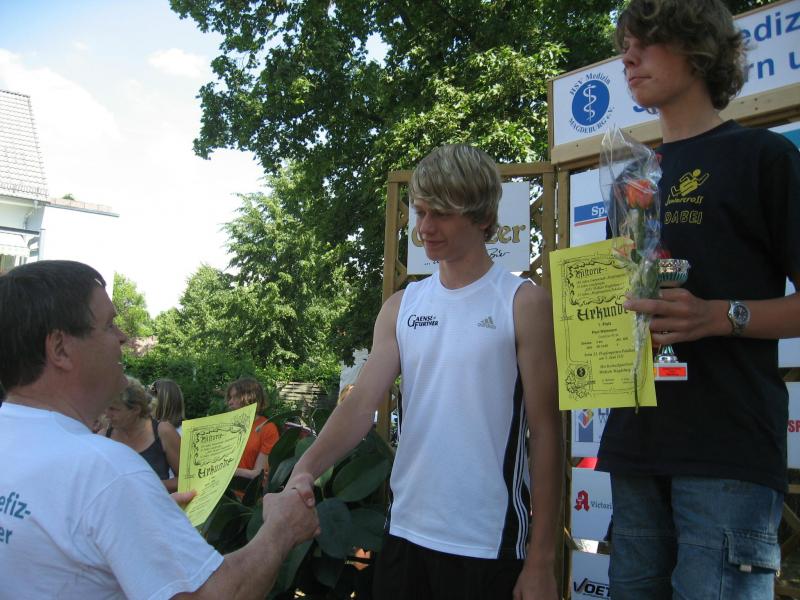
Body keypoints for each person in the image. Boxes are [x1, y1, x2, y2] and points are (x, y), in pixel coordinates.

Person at [288, 143, 564, 599]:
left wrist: (542, 561)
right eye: (420, 212)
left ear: (482, 216)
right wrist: (305, 468)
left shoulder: (521, 302)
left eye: (441, 214)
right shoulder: (403, 306)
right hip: (405, 534)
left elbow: (547, 433)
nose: (425, 228)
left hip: (488, 542)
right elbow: (360, 405)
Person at [596, 2, 800, 599]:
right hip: (635, 449)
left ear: (698, 47)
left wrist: (719, 316)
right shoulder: (629, 181)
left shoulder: (765, 157)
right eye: (625, 45)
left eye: (647, 40)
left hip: (728, 454)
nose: (629, 56)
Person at [0, 260, 319, 599]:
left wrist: (148, 514)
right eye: (109, 325)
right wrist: (282, 529)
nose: (123, 337)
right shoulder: (105, 470)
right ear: (60, 349)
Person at [102, 376, 182, 492]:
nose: (106, 414)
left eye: (113, 409)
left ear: (136, 410)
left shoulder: (163, 431)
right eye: (105, 407)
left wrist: (146, 486)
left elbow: (186, 479)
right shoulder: (103, 437)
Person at [226, 377, 280, 480]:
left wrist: (226, 472)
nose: (230, 402)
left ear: (249, 398)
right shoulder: (227, 426)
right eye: (230, 398)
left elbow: (258, 474)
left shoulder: (267, 428)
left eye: (235, 397)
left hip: (245, 489)